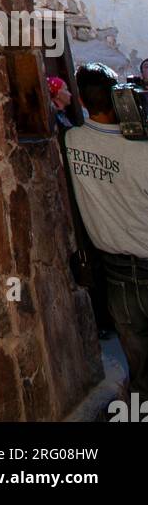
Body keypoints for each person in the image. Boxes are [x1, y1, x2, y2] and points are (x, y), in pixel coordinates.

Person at [65, 63, 148, 392]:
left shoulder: (72, 142)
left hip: (116, 274)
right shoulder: (139, 152)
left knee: (140, 368)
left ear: (83, 102)